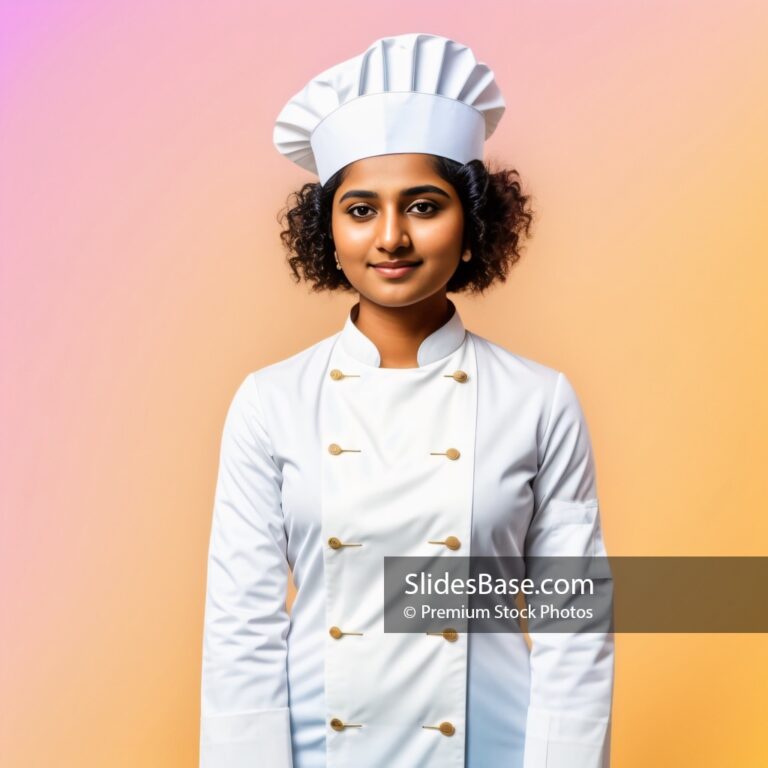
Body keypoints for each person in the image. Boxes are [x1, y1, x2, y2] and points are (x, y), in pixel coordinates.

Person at [199, 32, 614, 768]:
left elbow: (573, 626)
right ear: (327, 229)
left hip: (493, 748)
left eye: (424, 206)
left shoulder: (540, 401)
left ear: (473, 223)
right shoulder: (270, 403)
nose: (391, 237)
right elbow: (241, 627)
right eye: (360, 210)